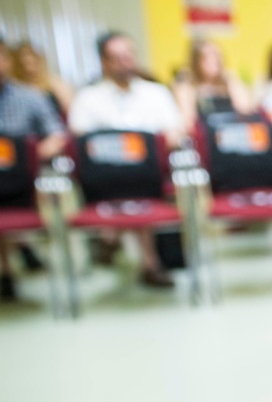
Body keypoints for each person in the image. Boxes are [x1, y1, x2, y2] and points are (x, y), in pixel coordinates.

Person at [68, 32, 185, 288]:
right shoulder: (88, 98)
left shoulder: (156, 93)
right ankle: (148, 263)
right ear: (104, 62)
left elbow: (176, 133)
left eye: (129, 55)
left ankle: (112, 237)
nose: (126, 62)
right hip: (105, 179)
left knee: (138, 182)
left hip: (149, 175)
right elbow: (80, 141)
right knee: (126, 184)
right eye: (118, 57)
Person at [0, 32, 66, 302]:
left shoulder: (31, 97)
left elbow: (56, 134)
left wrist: (29, 158)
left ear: (8, 60)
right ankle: (10, 265)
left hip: (23, 179)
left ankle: (15, 259)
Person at [173, 39, 254, 131]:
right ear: (196, 61)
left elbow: (245, 110)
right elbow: (188, 122)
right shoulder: (187, 87)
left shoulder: (229, 82)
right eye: (207, 57)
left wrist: (232, 80)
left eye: (217, 56)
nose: (215, 60)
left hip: (231, 133)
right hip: (206, 136)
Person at [12, 42, 74, 118]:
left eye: (31, 63)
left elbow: (71, 111)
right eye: (23, 64)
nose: (28, 69)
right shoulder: (15, 88)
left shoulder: (55, 83)